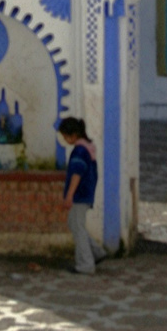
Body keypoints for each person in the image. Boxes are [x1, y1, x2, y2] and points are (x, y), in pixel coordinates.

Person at [59, 116, 107, 275]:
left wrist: (69, 196)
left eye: (65, 136)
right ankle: (96, 252)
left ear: (73, 135)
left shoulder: (79, 151)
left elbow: (76, 174)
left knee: (77, 226)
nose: (65, 140)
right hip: (86, 193)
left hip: (79, 195)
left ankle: (85, 264)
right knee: (75, 224)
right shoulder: (88, 148)